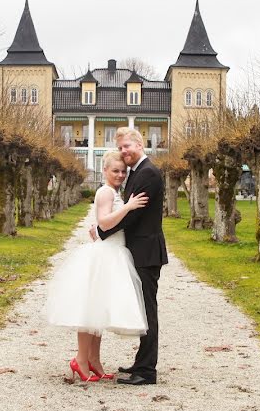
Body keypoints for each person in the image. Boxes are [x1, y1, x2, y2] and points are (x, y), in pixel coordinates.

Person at [43, 151, 149, 383]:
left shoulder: (114, 192)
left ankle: (94, 360)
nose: (120, 175)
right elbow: (104, 222)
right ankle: (81, 360)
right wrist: (129, 207)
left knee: (98, 311)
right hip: (105, 254)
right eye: (115, 171)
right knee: (90, 310)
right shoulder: (104, 191)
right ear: (104, 171)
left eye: (123, 171)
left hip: (114, 252)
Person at [90, 128, 168, 386]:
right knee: (143, 308)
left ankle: (147, 371)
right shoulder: (138, 172)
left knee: (148, 309)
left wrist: (101, 231)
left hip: (146, 251)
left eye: (127, 146)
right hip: (139, 249)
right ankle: (141, 362)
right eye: (121, 148)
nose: (124, 152)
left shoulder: (148, 173)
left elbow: (132, 215)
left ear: (140, 143)